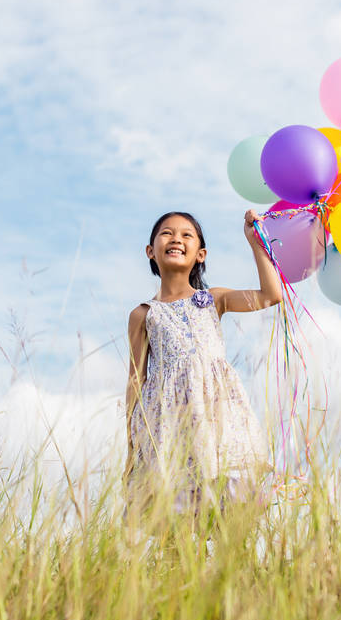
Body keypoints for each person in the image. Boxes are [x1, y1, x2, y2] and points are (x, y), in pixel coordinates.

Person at [121, 209, 282, 530]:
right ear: (151, 251)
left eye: (186, 235)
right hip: (167, 427)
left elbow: (271, 296)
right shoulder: (143, 314)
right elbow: (136, 380)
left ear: (201, 254)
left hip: (216, 423)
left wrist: (255, 243)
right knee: (173, 525)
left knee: (227, 514)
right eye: (167, 233)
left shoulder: (213, 300)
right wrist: (131, 446)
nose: (176, 239)